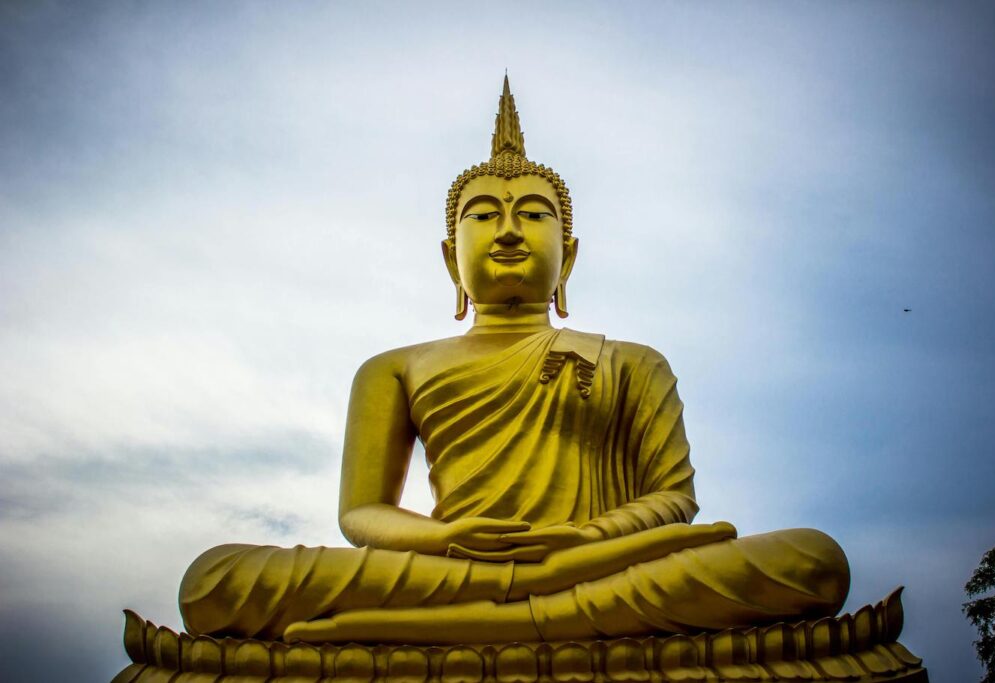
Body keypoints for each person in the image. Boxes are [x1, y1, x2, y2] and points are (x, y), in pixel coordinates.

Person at [179, 77, 850, 645]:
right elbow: (361, 514)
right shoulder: (394, 367)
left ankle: (486, 615)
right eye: (483, 216)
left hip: (600, 564)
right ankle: (534, 608)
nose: (506, 230)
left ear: (570, 254)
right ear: (450, 256)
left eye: (532, 215)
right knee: (214, 579)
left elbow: (673, 497)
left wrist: (581, 540)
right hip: (452, 566)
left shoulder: (634, 362)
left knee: (812, 560)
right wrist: (447, 539)